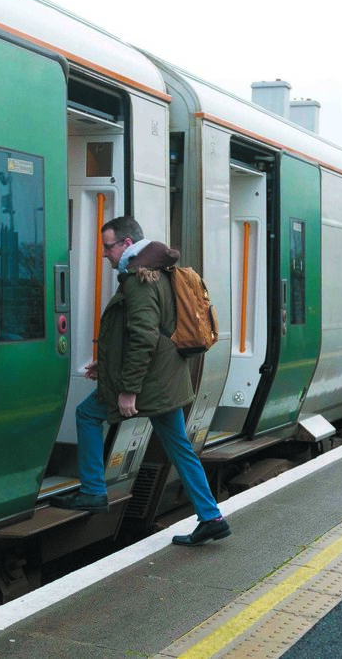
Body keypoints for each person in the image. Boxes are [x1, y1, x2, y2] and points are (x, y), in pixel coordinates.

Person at [51, 216, 230, 546]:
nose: (105, 254)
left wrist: (128, 390)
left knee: (87, 415)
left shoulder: (138, 280)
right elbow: (143, 333)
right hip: (164, 378)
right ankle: (212, 516)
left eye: (108, 247)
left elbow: (144, 337)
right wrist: (103, 363)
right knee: (179, 447)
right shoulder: (156, 273)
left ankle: (92, 491)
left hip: (148, 381)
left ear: (127, 244)